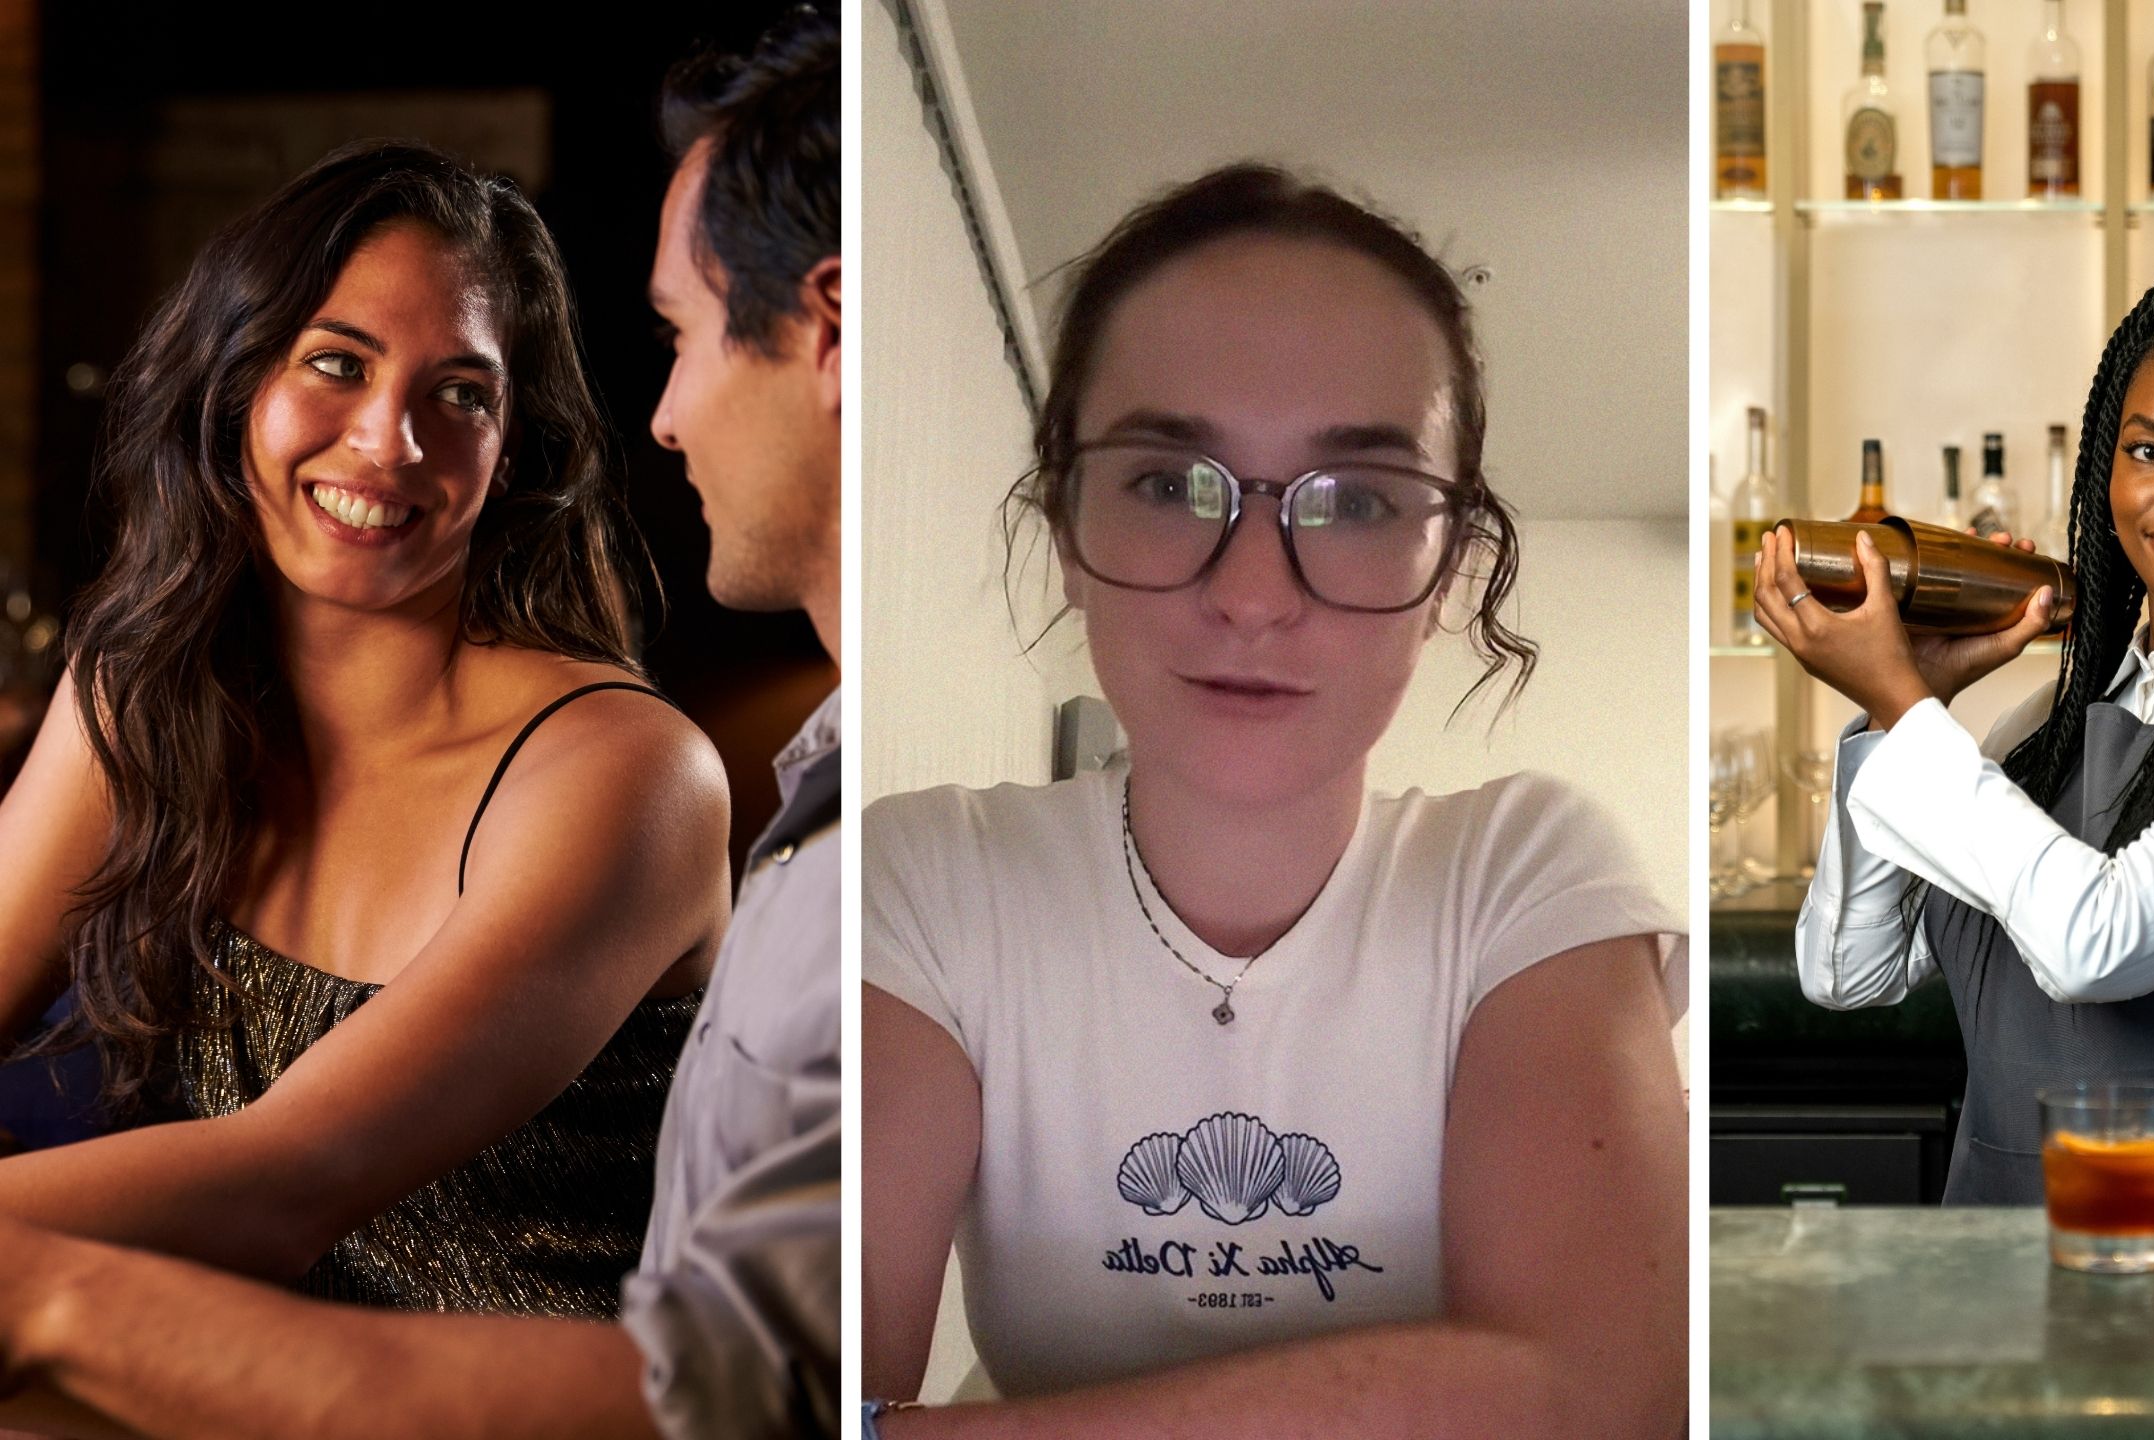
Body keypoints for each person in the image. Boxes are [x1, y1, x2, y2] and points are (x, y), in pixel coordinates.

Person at [0, 6, 839, 1436]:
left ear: (513, 454)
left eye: (459, 395)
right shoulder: (145, 686)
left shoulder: (625, 775)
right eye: (335, 364)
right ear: (235, 382)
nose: (391, 442)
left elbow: (289, 1178)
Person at [862, 165, 1687, 1438]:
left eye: (1355, 501)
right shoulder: (924, 883)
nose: (1253, 593)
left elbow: (1605, 1398)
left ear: (1449, 569)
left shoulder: (1526, 871)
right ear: (1067, 528)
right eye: (1167, 481)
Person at [1761, 264, 2154, 1206]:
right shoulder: (2043, 727)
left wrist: (1905, 708)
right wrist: (1900, 709)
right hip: (2002, 1262)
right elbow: (1846, 971)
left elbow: (2098, 944)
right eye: (2147, 450)